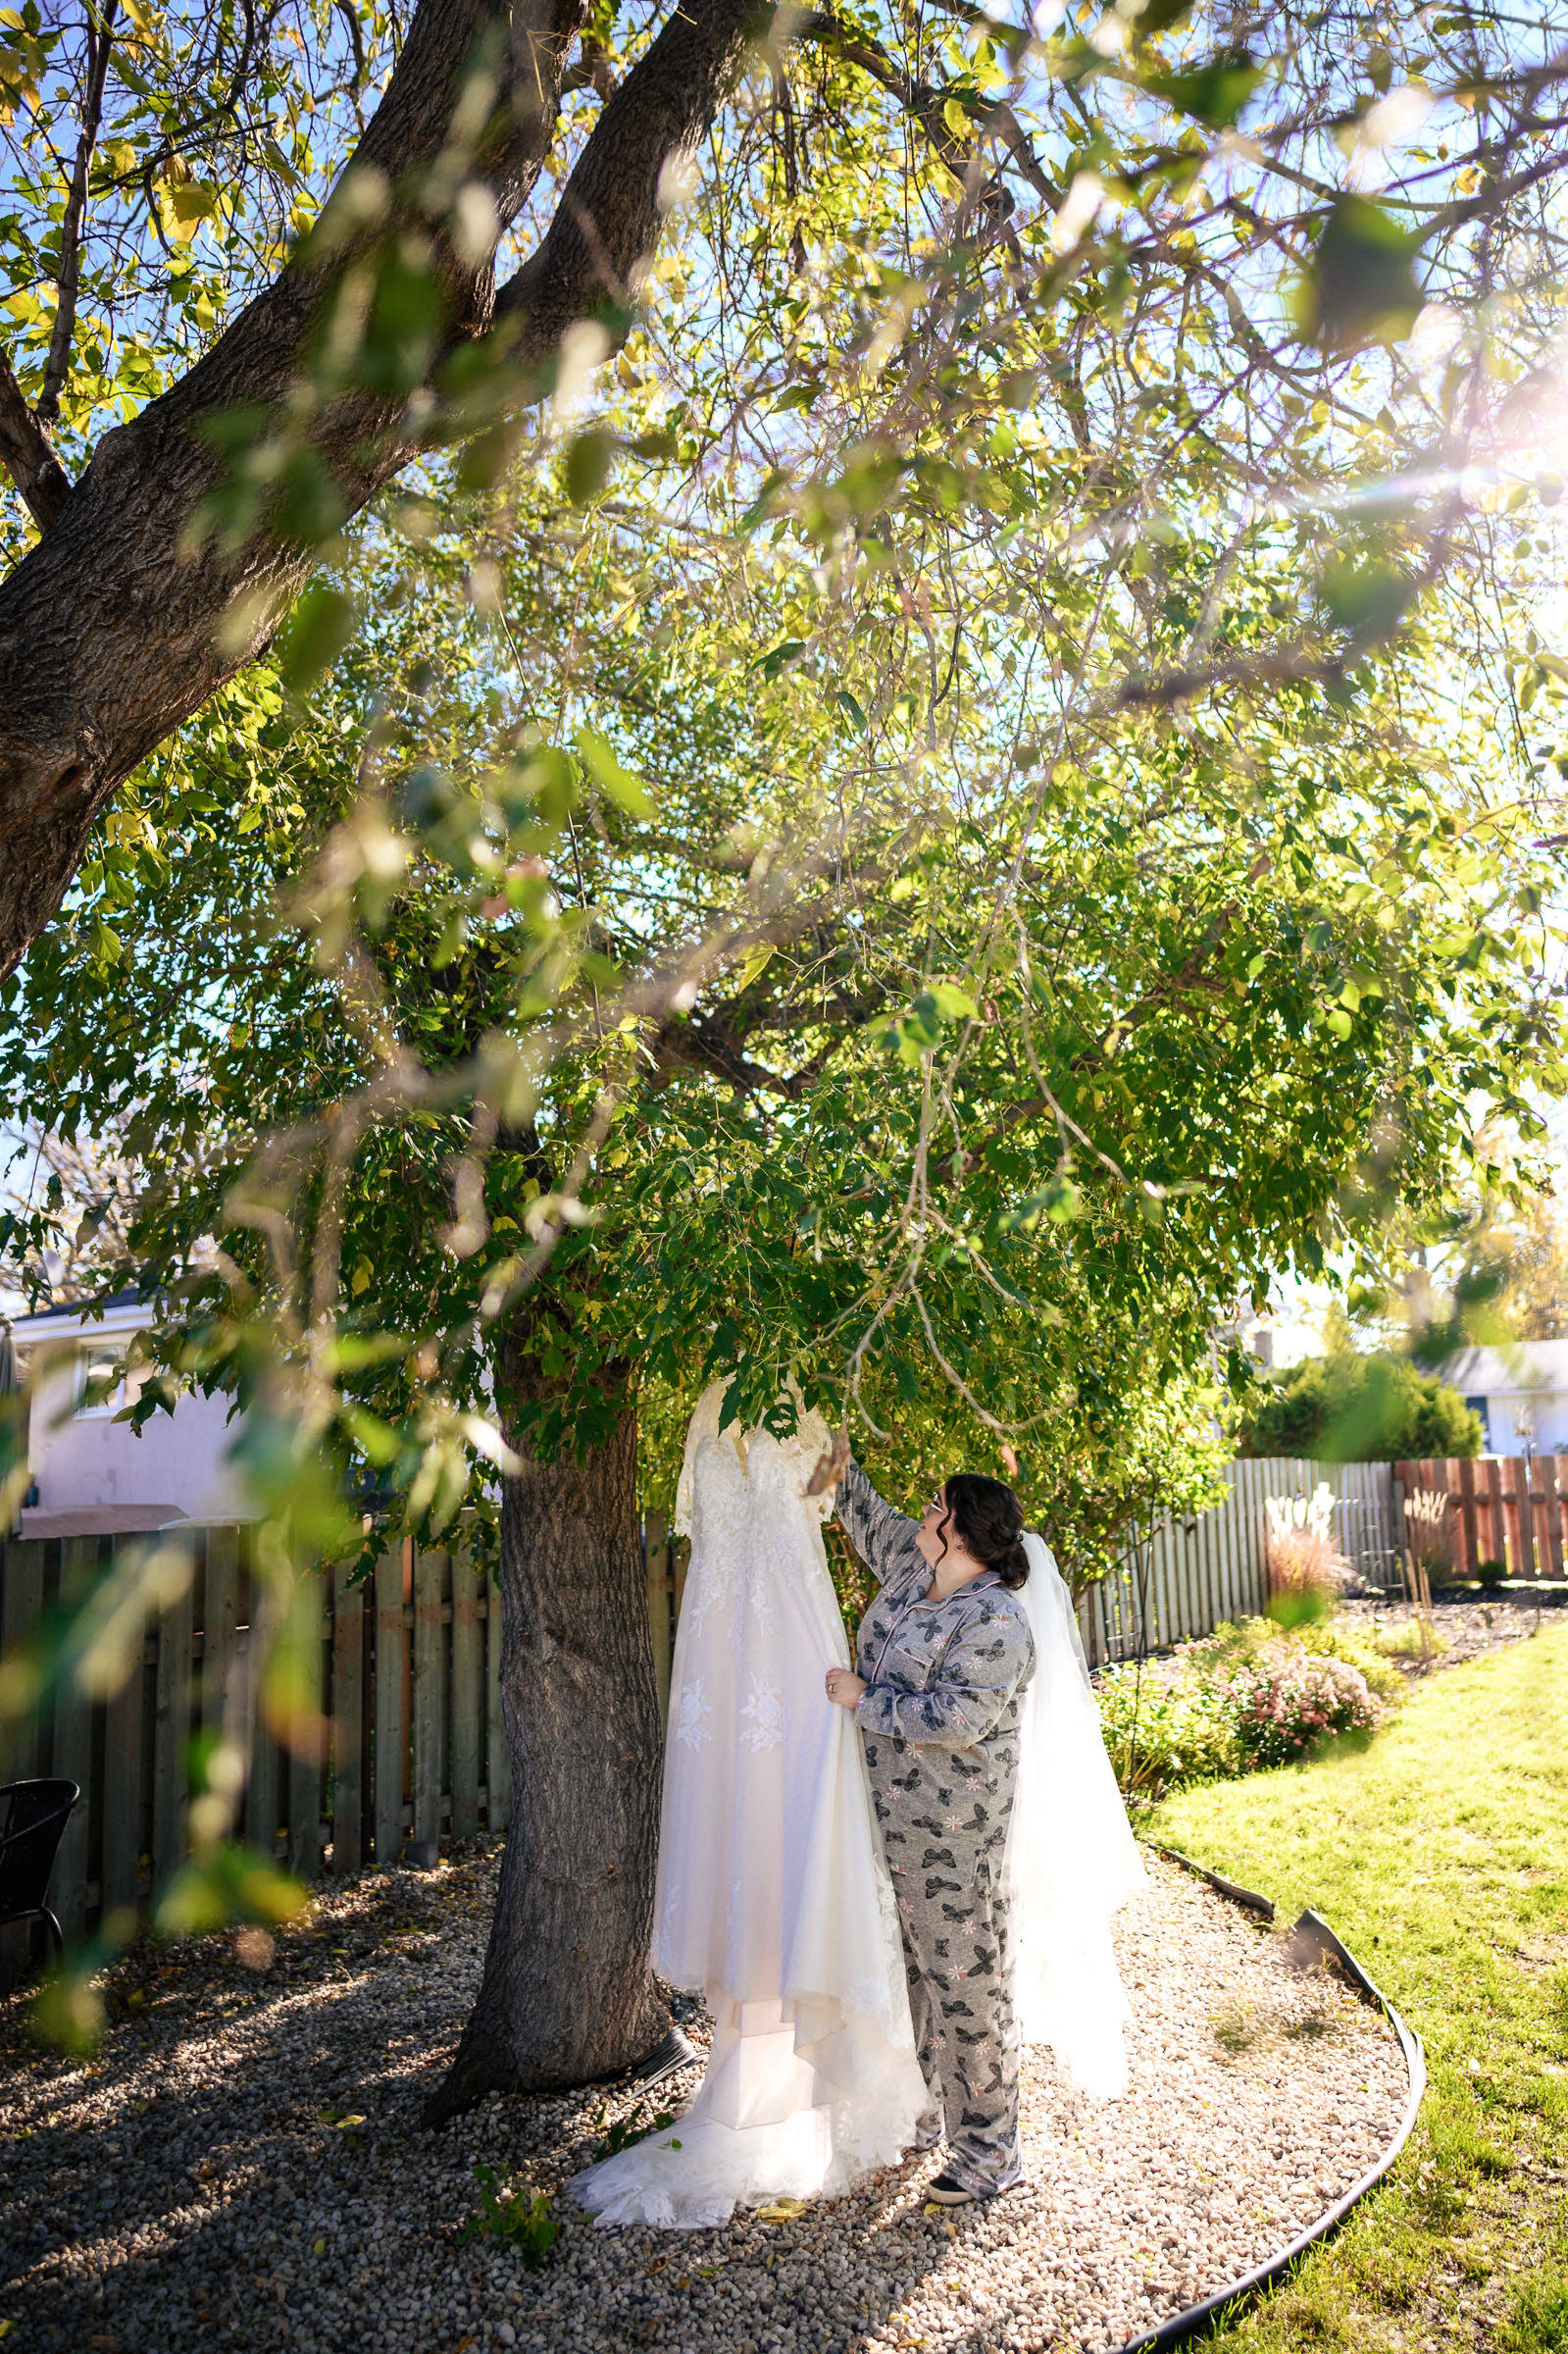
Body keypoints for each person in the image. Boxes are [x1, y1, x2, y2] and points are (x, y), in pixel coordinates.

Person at [825, 1462, 1037, 2204]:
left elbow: (958, 1718)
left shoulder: (996, 1620)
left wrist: (864, 1700)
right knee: (910, 1975)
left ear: (961, 1532)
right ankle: (921, 2113)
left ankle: (989, 2154)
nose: (923, 1510)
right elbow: (866, 1514)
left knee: (964, 1986)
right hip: (881, 1815)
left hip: (952, 1832)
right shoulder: (914, 1565)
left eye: (936, 1505)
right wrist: (831, 1456)